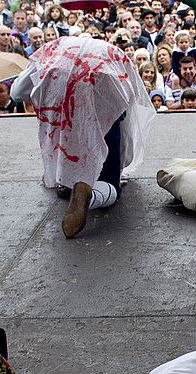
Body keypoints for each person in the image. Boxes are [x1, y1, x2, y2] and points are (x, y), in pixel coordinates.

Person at [11, 35, 153, 239]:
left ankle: (68, 182)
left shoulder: (51, 53)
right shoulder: (113, 56)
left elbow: (18, 92)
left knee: (70, 154)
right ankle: (91, 194)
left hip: (63, 127)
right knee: (110, 186)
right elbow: (131, 98)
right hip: (106, 122)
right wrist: (124, 161)